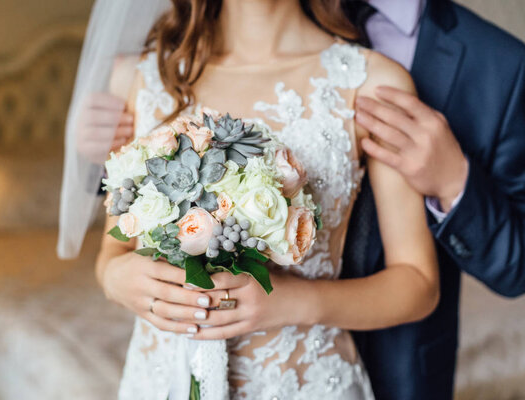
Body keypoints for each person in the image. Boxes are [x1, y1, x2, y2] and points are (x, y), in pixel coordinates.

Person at [83, 0, 442, 398]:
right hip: (159, 378)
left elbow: (418, 285)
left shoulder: (369, 81)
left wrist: (290, 301)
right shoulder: (147, 78)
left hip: (304, 379)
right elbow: (112, 255)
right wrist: (118, 279)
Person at [340, 1, 525, 398]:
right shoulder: (257, 18)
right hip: (262, 348)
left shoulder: (500, 64)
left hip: (402, 366)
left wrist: (454, 181)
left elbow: (517, 265)